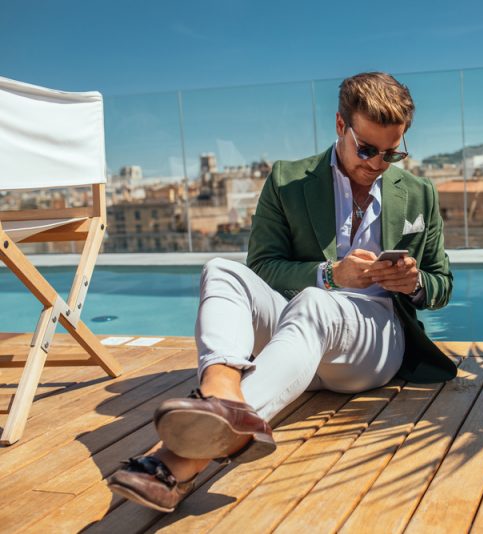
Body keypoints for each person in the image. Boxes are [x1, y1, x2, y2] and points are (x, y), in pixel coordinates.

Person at [106, 72, 456, 512]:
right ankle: (221, 393)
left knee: (314, 303)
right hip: (297, 335)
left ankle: (177, 460)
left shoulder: (419, 191)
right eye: (366, 149)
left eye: (391, 153)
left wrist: (416, 281)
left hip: (375, 340)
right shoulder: (289, 180)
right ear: (339, 126)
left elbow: (442, 283)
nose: (377, 163)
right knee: (221, 270)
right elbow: (264, 268)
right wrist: (332, 275)